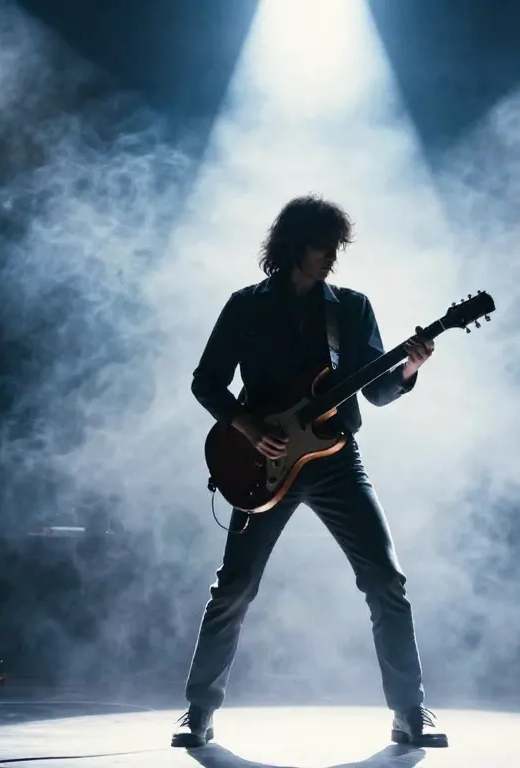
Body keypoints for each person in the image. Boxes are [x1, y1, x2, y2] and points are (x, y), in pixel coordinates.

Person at [172, 195, 447, 749]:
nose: (332, 258)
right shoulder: (246, 305)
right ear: (294, 244)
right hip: (262, 462)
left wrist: (409, 368)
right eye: (324, 246)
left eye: (336, 247)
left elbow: (376, 392)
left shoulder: (351, 308)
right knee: (234, 587)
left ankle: (409, 712)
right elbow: (206, 381)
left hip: (336, 461)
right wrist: (248, 426)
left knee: (385, 581)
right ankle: (198, 711)